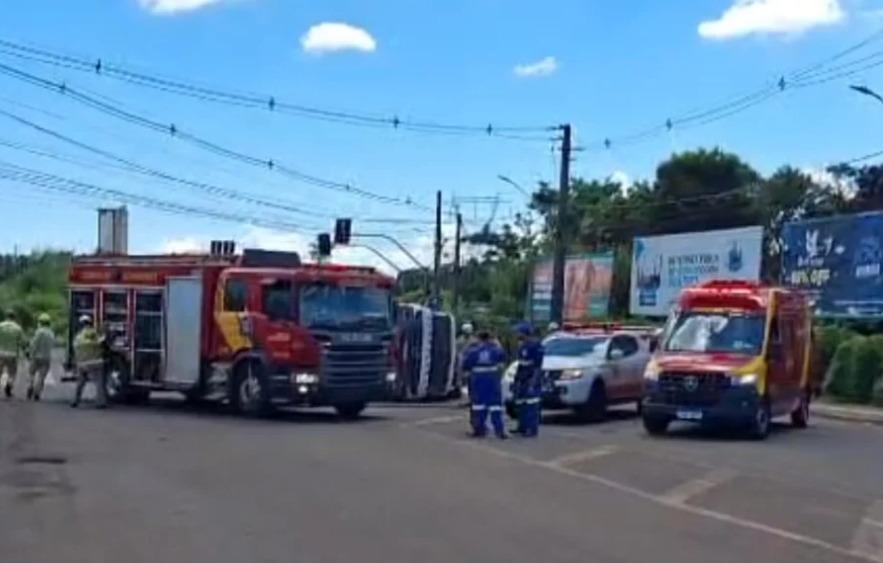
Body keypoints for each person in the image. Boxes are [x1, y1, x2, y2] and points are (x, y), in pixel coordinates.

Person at [462, 329, 507, 439]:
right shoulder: (496, 350)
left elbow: (466, 366)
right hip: (493, 380)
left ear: (479, 339)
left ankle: (479, 430)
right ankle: (499, 431)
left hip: (478, 380)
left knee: (478, 406)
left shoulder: (473, 351)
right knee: (496, 406)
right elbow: (503, 362)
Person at [512, 322, 544, 437]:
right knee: (521, 403)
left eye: (519, 332)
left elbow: (537, 367)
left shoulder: (536, 346)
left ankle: (531, 429)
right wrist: (516, 380)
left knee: (531, 403)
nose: (517, 334)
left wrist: (533, 382)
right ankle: (522, 427)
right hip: (522, 378)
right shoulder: (522, 346)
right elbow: (520, 364)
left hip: (531, 377)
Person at [71, 315, 107, 409]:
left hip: (82, 363)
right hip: (96, 362)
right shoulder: (96, 334)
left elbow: (75, 348)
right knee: (99, 384)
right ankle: (100, 402)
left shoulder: (79, 336)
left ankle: (75, 401)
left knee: (80, 383)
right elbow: (102, 342)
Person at [27, 313, 56, 401]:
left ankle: (31, 386)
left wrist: (29, 353)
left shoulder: (39, 332)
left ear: (40, 322)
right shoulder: (51, 333)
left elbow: (34, 344)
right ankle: (37, 392)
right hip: (46, 357)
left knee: (31, 373)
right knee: (41, 376)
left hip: (35, 357)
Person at [0, 310, 25, 399]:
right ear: (14, 318)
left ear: (6, 317)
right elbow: (22, 342)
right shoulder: (18, 328)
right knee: (12, 373)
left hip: (0, 353)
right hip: (12, 354)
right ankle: (8, 386)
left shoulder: (1, 326)